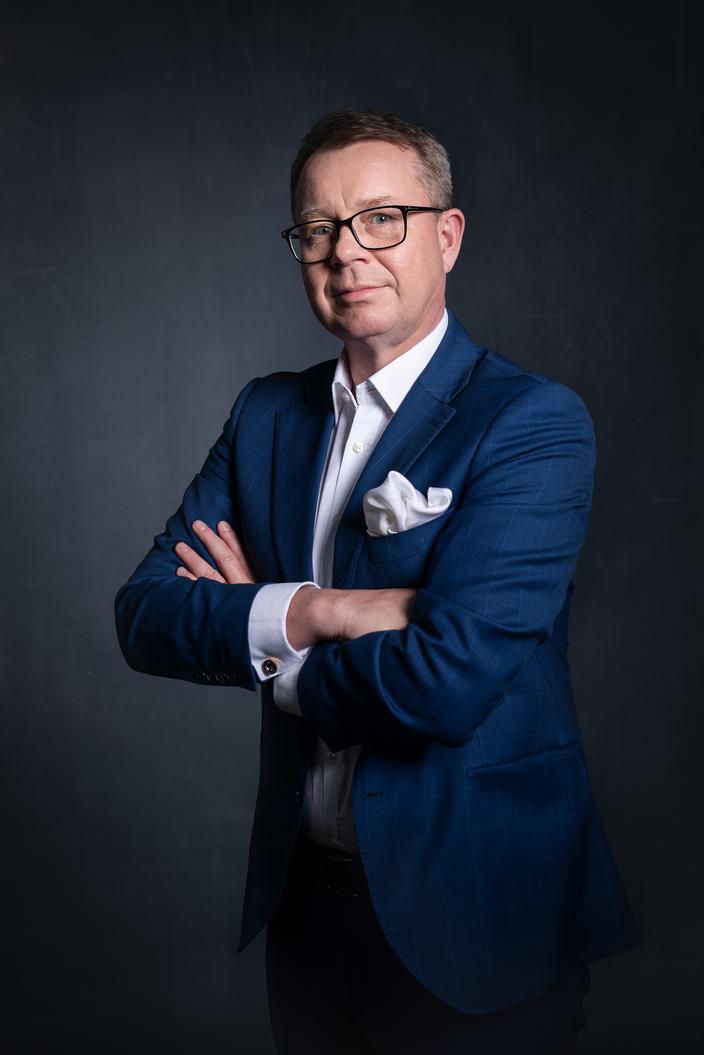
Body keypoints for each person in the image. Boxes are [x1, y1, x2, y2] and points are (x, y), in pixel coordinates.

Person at [115, 108, 639, 1053]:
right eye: (319, 229)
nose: (347, 252)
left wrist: (273, 649)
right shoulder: (266, 416)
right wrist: (323, 609)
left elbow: (450, 679)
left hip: (483, 916)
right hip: (308, 916)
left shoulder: (530, 422)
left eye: (382, 218)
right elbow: (146, 613)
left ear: (448, 236)